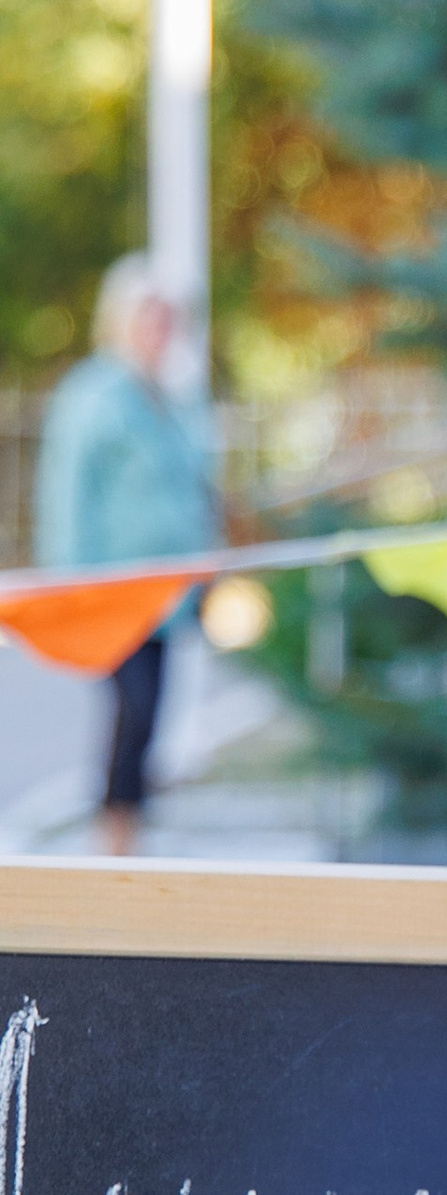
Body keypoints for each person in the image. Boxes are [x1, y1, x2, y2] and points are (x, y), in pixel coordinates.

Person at [33, 253, 221, 858]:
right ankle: (111, 838)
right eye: (151, 317)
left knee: (151, 716)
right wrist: (72, 584)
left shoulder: (172, 399)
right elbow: (67, 495)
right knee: (133, 710)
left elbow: (192, 489)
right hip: (113, 591)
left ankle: (128, 835)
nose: (161, 331)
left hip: (169, 595)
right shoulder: (94, 396)